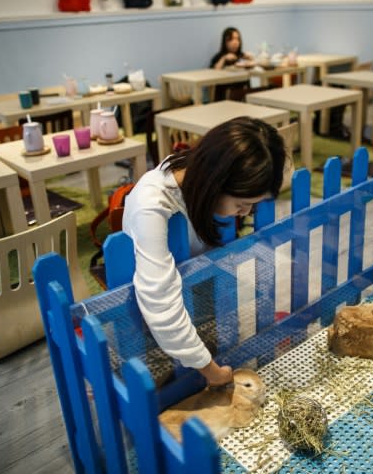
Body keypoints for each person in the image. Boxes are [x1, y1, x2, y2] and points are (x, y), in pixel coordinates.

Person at [122, 117, 287, 386]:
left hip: (193, 291)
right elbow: (159, 302)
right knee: (164, 382)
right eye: (242, 204)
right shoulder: (151, 206)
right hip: (145, 313)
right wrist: (211, 371)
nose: (245, 214)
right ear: (215, 183)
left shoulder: (199, 178)